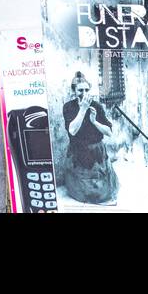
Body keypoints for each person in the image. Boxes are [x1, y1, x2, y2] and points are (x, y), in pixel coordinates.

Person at [61, 72, 119, 205]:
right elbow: (72, 131)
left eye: (87, 90)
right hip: (79, 152)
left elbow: (109, 132)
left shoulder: (97, 106)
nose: (84, 93)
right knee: (84, 189)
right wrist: (82, 110)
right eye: (80, 90)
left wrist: (94, 122)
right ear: (74, 91)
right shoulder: (69, 107)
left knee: (104, 189)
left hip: (97, 152)